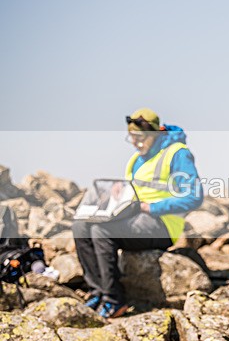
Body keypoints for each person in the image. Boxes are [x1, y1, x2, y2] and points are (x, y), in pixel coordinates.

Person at [72, 108, 203, 318]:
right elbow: (136, 192)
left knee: (101, 231)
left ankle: (114, 300)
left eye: (139, 137)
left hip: (162, 225)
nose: (134, 142)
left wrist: (152, 207)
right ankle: (97, 290)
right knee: (81, 226)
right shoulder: (135, 160)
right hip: (134, 217)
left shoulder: (177, 153)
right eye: (131, 137)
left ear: (155, 133)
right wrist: (118, 192)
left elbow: (194, 196)